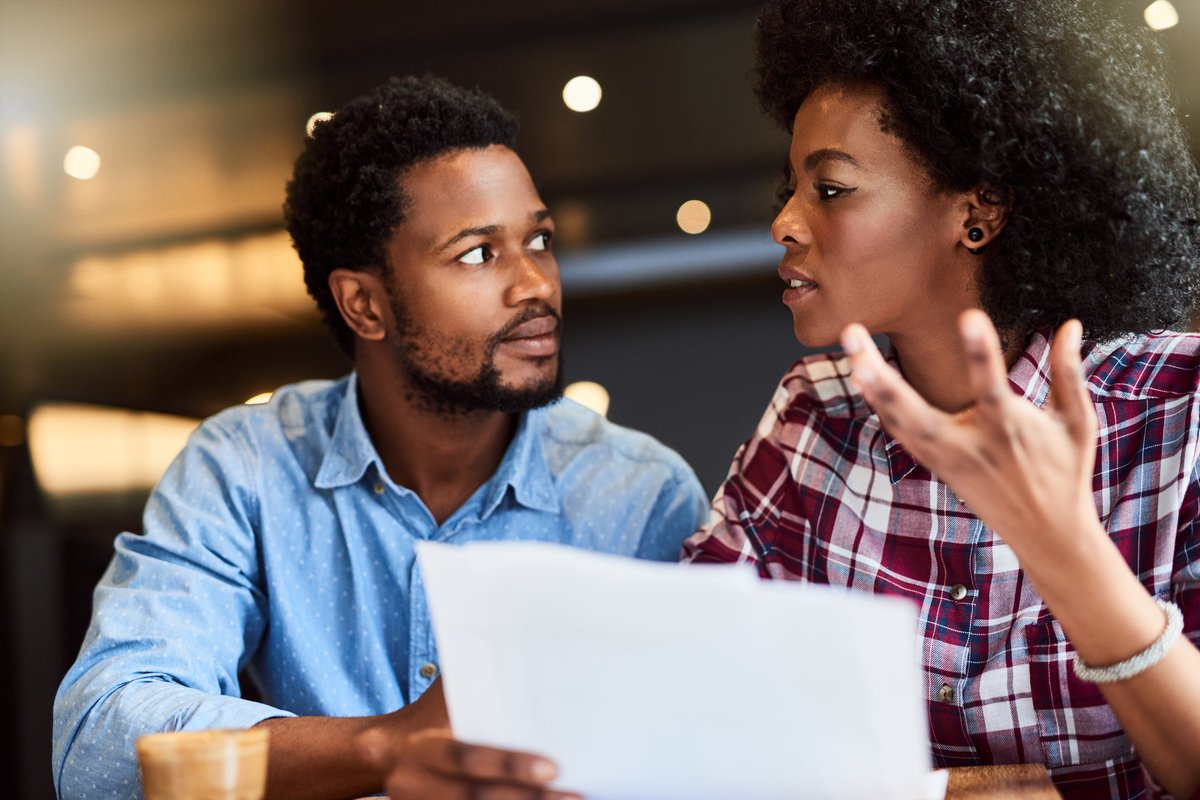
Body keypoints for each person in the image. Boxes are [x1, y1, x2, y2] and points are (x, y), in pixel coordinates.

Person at [368, 2, 1200, 799]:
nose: (786, 223)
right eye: (790, 189)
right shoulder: (812, 422)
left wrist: (1064, 547)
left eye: (831, 189)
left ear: (975, 212)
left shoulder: (1181, 410)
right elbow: (691, 692)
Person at [52, 75, 707, 800]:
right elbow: (101, 742)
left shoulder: (641, 495)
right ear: (364, 305)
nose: (537, 286)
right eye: (478, 254)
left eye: (539, 240)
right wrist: (381, 748)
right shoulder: (246, 465)